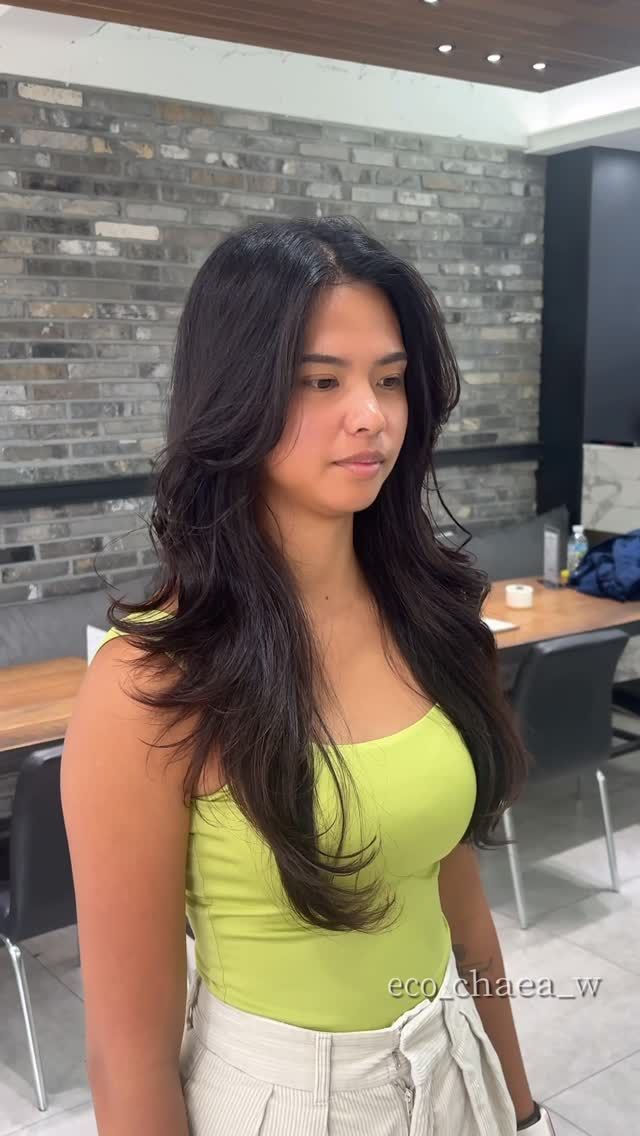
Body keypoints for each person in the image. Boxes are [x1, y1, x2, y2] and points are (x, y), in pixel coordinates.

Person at [61, 217, 556, 1135]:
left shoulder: (432, 620)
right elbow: (128, 1052)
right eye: (321, 381)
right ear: (237, 398)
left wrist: (521, 1108)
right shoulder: (151, 686)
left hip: (454, 1066)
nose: (371, 414)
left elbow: (458, 902)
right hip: (285, 1099)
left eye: (391, 380)